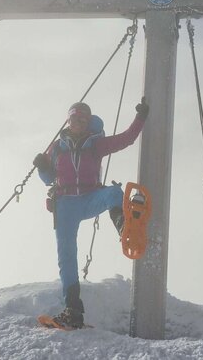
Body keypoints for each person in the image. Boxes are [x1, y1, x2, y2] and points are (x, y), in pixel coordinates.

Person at [33, 98, 150, 328]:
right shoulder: (57, 147)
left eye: (82, 118)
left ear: (88, 122)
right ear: (68, 119)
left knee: (114, 193)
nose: (77, 122)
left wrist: (140, 117)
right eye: (74, 118)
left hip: (88, 198)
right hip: (65, 204)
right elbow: (48, 179)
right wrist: (42, 167)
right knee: (66, 256)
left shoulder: (95, 144)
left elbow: (126, 139)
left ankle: (125, 227)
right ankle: (72, 310)